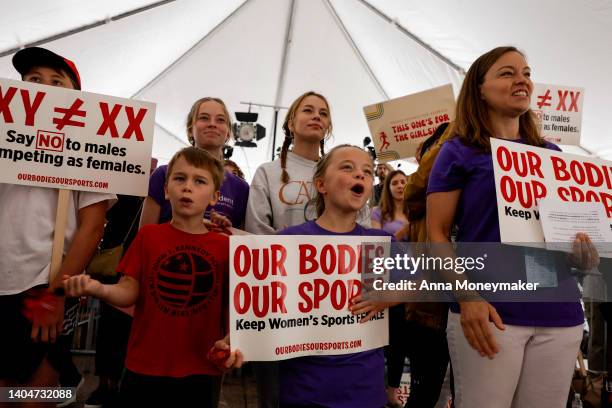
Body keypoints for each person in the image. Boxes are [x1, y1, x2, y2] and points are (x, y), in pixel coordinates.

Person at [427, 46, 598, 407]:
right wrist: (466, 297)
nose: (522, 80)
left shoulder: (551, 154)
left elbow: (561, 240)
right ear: (479, 89)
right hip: (492, 313)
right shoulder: (458, 151)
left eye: (526, 72)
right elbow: (437, 234)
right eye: (507, 73)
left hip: (560, 314)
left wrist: (583, 256)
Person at [63, 147, 241, 407]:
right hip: (144, 365)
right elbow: (129, 291)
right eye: (179, 179)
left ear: (215, 197)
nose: (187, 187)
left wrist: (229, 340)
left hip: (201, 367)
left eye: (199, 181)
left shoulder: (225, 247)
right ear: (166, 190)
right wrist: (97, 288)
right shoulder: (148, 237)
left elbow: (232, 307)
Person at [0, 46, 116, 408]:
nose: (44, 87)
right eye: (34, 80)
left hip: (44, 285)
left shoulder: (93, 148)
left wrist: (56, 296)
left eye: (57, 82)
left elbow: (92, 227)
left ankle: (66, 389)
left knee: (36, 398)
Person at [277, 144, 390, 407]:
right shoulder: (287, 242)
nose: (360, 175)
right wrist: (234, 341)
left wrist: (394, 295)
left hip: (365, 392)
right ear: (321, 184)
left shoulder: (379, 243)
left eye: (367, 171)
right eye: (347, 168)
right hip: (303, 392)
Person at [244, 91, 332, 408]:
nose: (316, 116)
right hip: (277, 297)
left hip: (326, 298)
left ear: (329, 125)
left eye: (323, 112)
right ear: (291, 122)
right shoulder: (267, 173)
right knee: (275, 394)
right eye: (308, 110)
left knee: (321, 386)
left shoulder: (340, 171)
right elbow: (256, 230)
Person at [140, 97, 249, 228]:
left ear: (228, 133)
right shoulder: (163, 174)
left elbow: (241, 241)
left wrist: (223, 230)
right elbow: (145, 235)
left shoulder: (241, 188)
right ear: (190, 129)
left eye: (220, 120)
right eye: (204, 118)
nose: (212, 124)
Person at [370, 169, 410, 407]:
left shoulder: (415, 212)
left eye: (403, 182)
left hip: (409, 279)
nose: (399, 185)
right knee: (379, 334)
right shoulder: (378, 212)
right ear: (388, 187)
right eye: (394, 182)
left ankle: (392, 388)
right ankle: (375, 384)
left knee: (399, 339)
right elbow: (377, 241)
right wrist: (404, 232)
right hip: (384, 279)